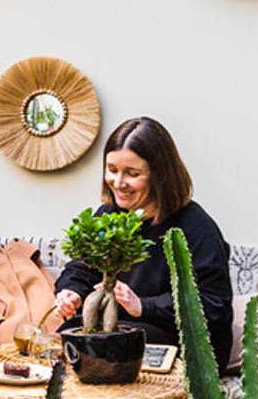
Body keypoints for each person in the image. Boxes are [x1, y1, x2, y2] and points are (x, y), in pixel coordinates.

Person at [53, 116, 234, 367]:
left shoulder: (196, 226)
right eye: (112, 170)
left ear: (159, 175)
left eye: (132, 173)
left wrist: (143, 306)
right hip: (117, 331)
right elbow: (81, 269)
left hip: (177, 342)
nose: (118, 183)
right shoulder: (108, 215)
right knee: (63, 341)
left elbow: (214, 304)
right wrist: (70, 292)